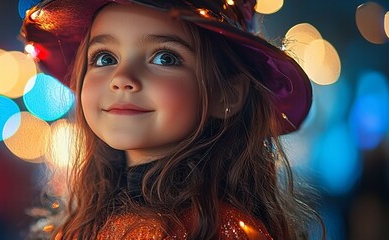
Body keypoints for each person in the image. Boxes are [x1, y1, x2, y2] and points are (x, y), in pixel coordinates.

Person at [20, 0, 326, 239]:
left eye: (165, 58)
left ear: (227, 94)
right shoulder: (83, 221)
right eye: (105, 58)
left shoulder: (221, 230)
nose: (122, 78)